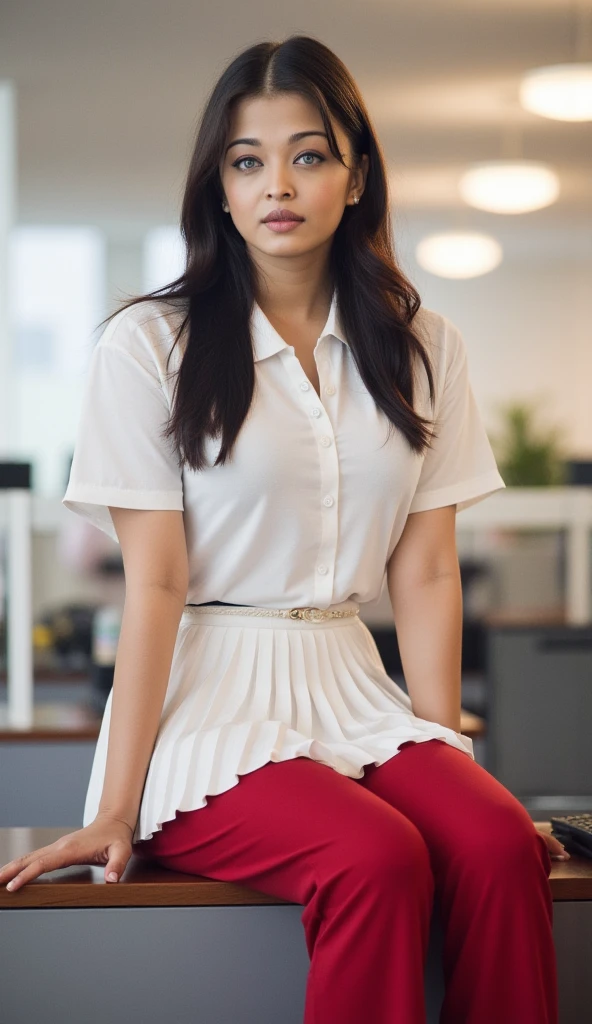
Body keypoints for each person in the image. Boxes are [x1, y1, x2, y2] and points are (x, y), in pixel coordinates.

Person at [1, 34, 567, 1024]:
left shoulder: (424, 346)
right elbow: (156, 587)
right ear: (218, 187)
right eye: (246, 159)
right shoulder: (148, 345)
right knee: (375, 854)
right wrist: (117, 807)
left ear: (355, 176)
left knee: (495, 840)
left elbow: (427, 571)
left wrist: (447, 756)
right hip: (209, 710)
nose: (278, 184)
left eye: (308, 155)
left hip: (356, 688)